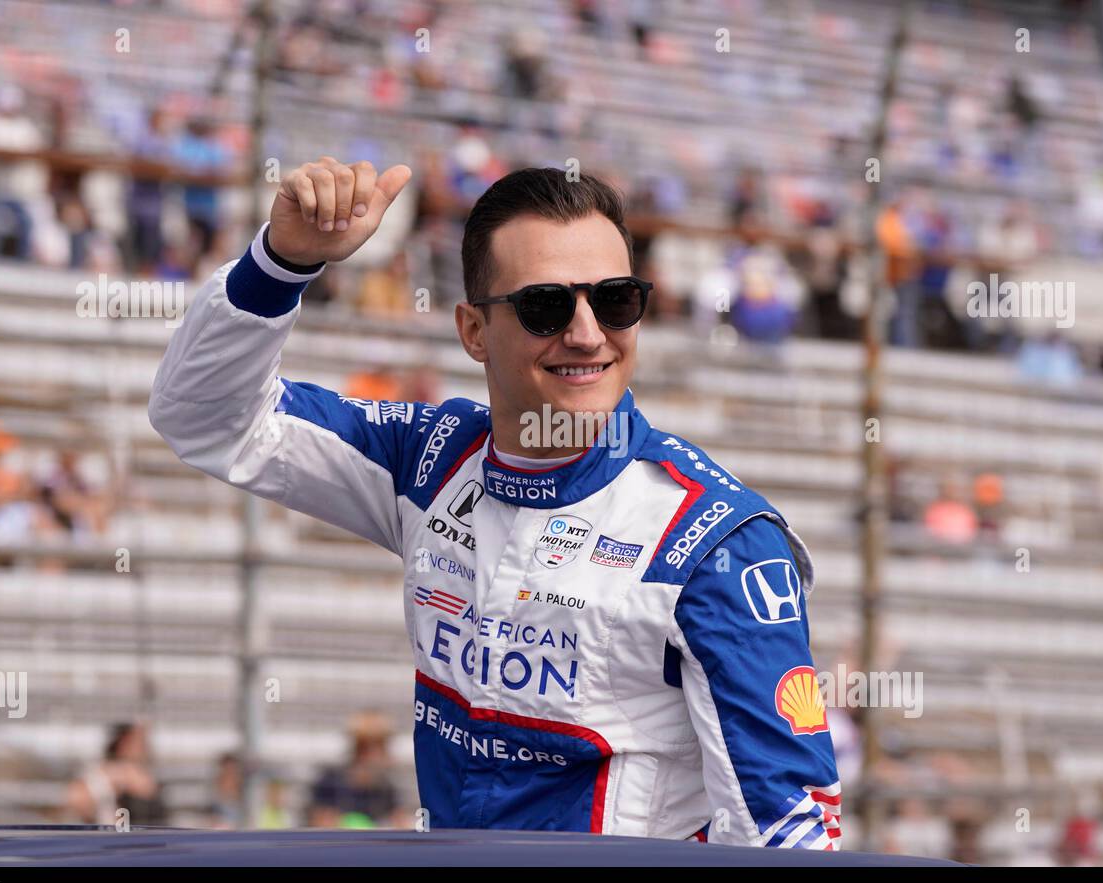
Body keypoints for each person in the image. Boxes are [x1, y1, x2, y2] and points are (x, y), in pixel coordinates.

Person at [148, 158, 842, 848]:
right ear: (473, 331)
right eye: (546, 305)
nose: (587, 332)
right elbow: (205, 417)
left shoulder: (715, 542)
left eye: (615, 299)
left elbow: (788, 835)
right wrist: (279, 265)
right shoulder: (428, 459)